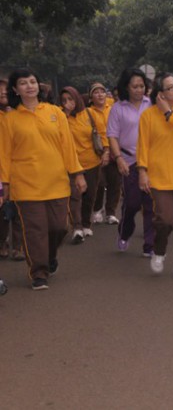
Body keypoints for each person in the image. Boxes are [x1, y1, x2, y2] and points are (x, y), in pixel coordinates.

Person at [0, 68, 86, 290]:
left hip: (57, 182)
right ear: (15, 89)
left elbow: (67, 146)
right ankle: (39, 272)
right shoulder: (9, 119)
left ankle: (49, 257)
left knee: (58, 228)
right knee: (35, 230)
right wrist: (5, 184)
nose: (29, 86)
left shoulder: (55, 112)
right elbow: (4, 154)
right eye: (23, 83)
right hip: (26, 185)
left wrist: (77, 174)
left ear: (39, 85)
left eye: (32, 81)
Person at [137, 72, 173, 279]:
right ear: (160, 93)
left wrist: (168, 112)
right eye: (171, 87)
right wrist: (142, 171)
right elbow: (143, 145)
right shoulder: (147, 116)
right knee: (165, 220)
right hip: (159, 177)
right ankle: (159, 250)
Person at [107, 68, 155, 257]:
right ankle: (124, 232)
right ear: (126, 87)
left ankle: (150, 245)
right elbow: (112, 136)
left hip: (151, 161)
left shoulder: (151, 103)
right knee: (133, 203)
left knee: (151, 205)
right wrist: (119, 158)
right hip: (129, 161)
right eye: (135, 86)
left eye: (142, 86)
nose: (139, 90)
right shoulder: (118, 108)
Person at [60, 86, 108, 244]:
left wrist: (106, 151)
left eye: (70, 99)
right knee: (75, 196)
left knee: (90, 195)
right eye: (64, 100)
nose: (68, 103)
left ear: (77, 98)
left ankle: (86, 224)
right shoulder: (61, 117)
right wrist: (66, 114)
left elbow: (102, 133)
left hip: (92, 162)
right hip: (71, 165)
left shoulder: (89, 113)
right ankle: (77, 227)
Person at [89, 83, 121, 226]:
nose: (100, 94)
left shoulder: (113, 108)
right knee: (99, 183)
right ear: (91, 97)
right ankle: (97, 210)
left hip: (115, 150)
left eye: (102, 91)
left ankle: (111, 213)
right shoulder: (88, 112)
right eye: (96, 92)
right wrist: (104, 151)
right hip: (97, 152)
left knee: (115, 182)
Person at [0, 78, 24, 261]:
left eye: (5, 89)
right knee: (2, 211)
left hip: (19, 168)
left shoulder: (20, 115)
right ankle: (2, 243)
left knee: (19, 210)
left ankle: (18, 247)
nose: (3, 93)